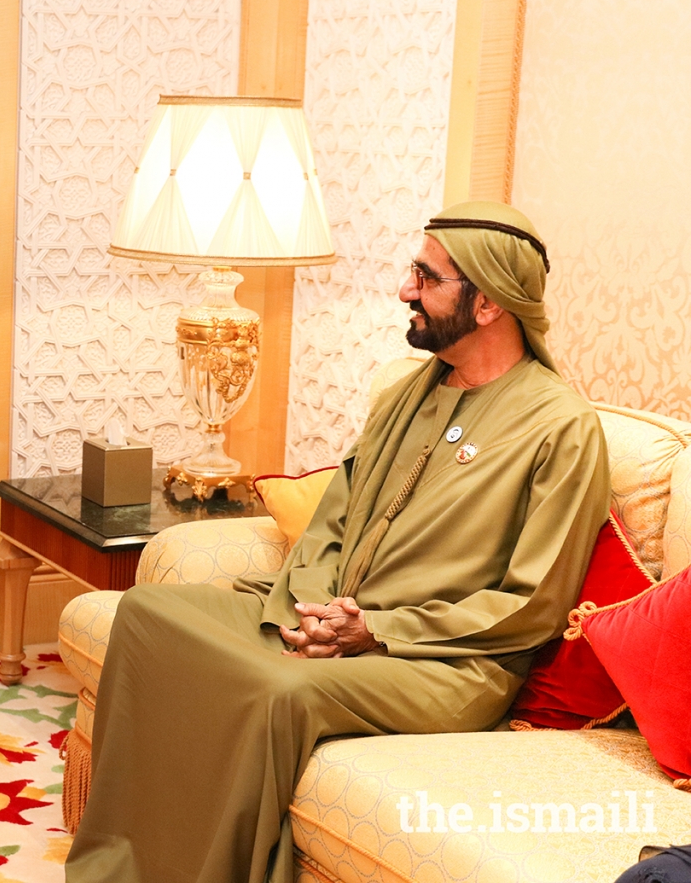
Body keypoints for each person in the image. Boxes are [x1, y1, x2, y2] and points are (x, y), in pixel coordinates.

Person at [64, 201, 611, 883]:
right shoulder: (413, 391)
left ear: (489, 304)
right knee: (148, 615)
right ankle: (123, 862)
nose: (404, 290)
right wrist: (317, 606)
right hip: (328, 619)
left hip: (445, 664)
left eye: (426, 277)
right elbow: (335, 517)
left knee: (276, 691)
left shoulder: (562, 428)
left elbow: (532, 604)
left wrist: (373, 629)